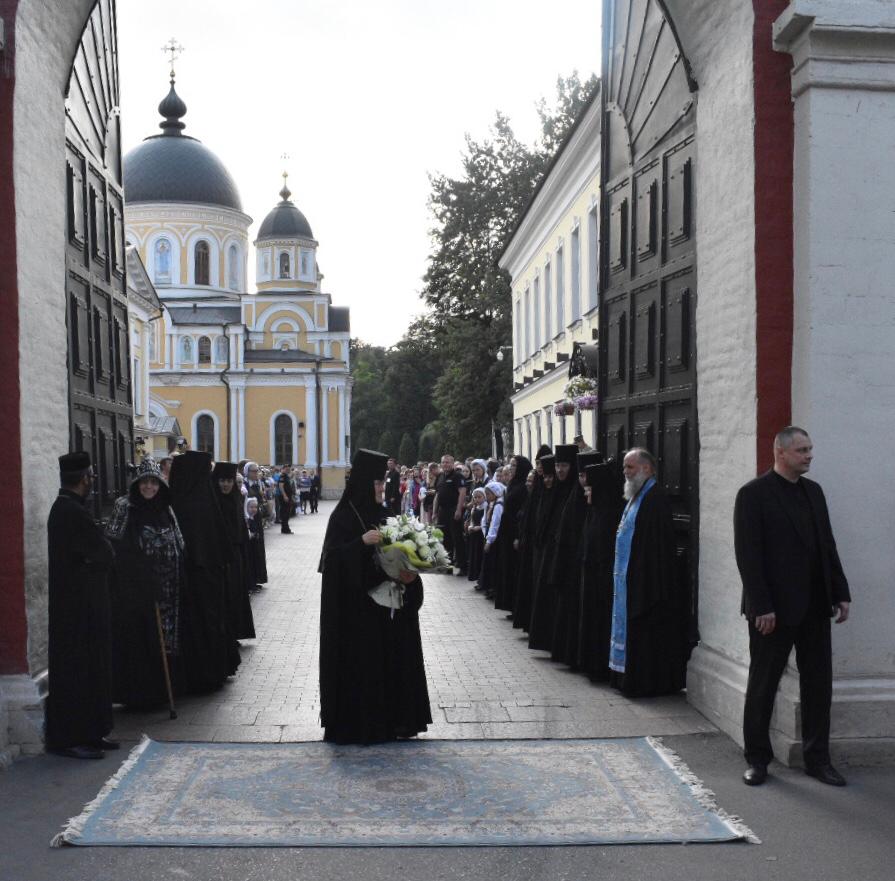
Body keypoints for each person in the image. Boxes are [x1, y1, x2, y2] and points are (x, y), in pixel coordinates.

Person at [734, 426, 851, 787]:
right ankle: (757, 760)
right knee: (762, 685)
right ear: (780, 452)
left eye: (810, 449)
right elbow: (748, 556)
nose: (809, 455)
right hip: (772, 611)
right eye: (802, 450)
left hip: (815, 606)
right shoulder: (753, 494)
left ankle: (818, 759)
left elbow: (826, 546)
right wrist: (762, 606)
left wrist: (840, 592)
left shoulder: (814, 492)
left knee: (819, 686)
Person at [318, 449, 431, 744]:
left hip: (389, 612)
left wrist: (411, 572)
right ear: (363, 483)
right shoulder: (342, 517)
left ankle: (397, 721)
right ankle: (363, 725)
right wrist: (360, 543)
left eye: (384, 483)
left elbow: (405, 553)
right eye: (378, 484)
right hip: (358, 616)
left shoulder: (387, 516)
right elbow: (332, 565)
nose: (383, 489)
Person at [45, 452, 116, 759]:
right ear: (85, 478)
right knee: (75, 670)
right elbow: (103, 552)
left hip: (83, 602)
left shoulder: (69, 509)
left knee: (91, 667)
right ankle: (71, 737)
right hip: (75, 607)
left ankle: (92, 731)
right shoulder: (70, 511)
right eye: (91, 477)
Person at [105, 457, 185, 709]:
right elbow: (115, 547)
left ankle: (161, 692)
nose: (149, 487)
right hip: (136, 590)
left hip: (168, 590)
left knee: (163, 641)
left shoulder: (166, 508)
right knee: (139, 639)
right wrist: (139, 575)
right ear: (136, 484)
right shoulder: (125, 507)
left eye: (154, 483)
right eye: (144, 483)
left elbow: (179, 544)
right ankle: (138, 695)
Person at [608, 448, 688, 698]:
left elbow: (655, 548)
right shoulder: (637, 495)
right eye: (625, 467)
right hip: (631, 578)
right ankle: (627, 679)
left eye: (630, 467)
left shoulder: (655, 498)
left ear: (647, 469)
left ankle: (644, 683)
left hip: (647, 582)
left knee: (645, 635)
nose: (625, 472)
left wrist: (642, 579)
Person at [170, 451, 237, 692]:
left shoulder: (185, 501)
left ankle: (198, 673)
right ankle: (211, 670)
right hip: (209, 577)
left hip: (197, 577)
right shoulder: (203, 499)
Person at [550, 451, 602, 665]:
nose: (583, 481)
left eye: (585, 476)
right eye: (580, 476)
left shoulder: (597, 502)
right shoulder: (574, 496)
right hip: (570, 564)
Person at [577, 461, 625, 681]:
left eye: (590, 489)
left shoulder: (608, 514)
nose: (586, 493)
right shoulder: (593, 511)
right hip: (592, 576)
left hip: (603, 579)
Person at [529, 445, 578, 651]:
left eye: (564, 465)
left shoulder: (575, 490)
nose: (559, 470)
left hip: (567, 554)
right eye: (557, 465)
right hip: (550, 552)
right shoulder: (555, 490)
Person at [212, 461, 256, 642]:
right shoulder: (212, 503)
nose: (226, 484)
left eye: (229, 481)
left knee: (236, 595)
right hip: (219, 558)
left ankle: (236, 632)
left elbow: (240, 531)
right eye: (222, 480)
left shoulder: (237, 500)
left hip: (236, 557)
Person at [513, 445, 551, 632]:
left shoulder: (546, 485)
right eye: (537, 463)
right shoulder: (536, 483)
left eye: (542, 462)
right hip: (529, 540)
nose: (539, 466)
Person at [494, 455, 532, 614]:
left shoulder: (523, 487)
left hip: (514, 531)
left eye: (514, 465)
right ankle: (508, 603)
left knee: (513, 568)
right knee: (506, 567)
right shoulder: (513, 484)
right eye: (510, 465)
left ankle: (515, 606)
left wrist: (517, 535)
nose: (511, 468)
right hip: (506, 531)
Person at [432, 454, 467, 575]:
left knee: (457, 538)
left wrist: (458, 510)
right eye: (443, 462)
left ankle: (463, 566)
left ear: (452, 464)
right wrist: (434, 512)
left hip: (453, 510)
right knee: (445, 539)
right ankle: (448, 565)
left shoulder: (457, 476)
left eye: (447, 462)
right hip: (443, 511)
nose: (445, 464)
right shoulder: (440, 476)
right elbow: (437, 495)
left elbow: (462, 492)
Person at [243, 462, 268, 588]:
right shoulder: (245, 485)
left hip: (257, 519)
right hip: (250, 521)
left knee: (257, 551)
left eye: (257, 470)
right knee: (251, 552)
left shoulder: (257, 485)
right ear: (247, 472)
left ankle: (257, 578)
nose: (256, 473)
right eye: (253, 471)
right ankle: (250, 581)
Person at [479, 481, 505, 599]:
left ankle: (494, 589)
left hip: (495, 540)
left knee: (494, 564)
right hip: (489, 536)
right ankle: (489, 586)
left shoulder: (498, 505)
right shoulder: (490, 504)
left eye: (489, 494)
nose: (487, 497)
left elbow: (495, 523)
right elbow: (485, 520)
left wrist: (489, 540)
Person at [465, 487, 487, 587]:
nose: (477, 499)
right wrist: (470, 526)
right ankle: (476, 577)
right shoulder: (474, 507)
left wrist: (478, 528)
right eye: (475, 497)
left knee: (480, 556)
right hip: (474, 535)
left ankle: (481, 580)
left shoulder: (486, 507)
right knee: (474, 556)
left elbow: (485, 522)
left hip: (481, 535)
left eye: (479, 497)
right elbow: (472, 520)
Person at [279, 464, 295, 534]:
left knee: (287, 513)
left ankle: (285, 528)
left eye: (289, 469)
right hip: (285, 498)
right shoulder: (282, 476)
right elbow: (281, 486)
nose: (288, 470)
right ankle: (285, 529)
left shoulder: (286, 476)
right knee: (285, 513)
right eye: (287, 469)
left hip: (288, 497)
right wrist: (285, 495)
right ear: (284, 469)